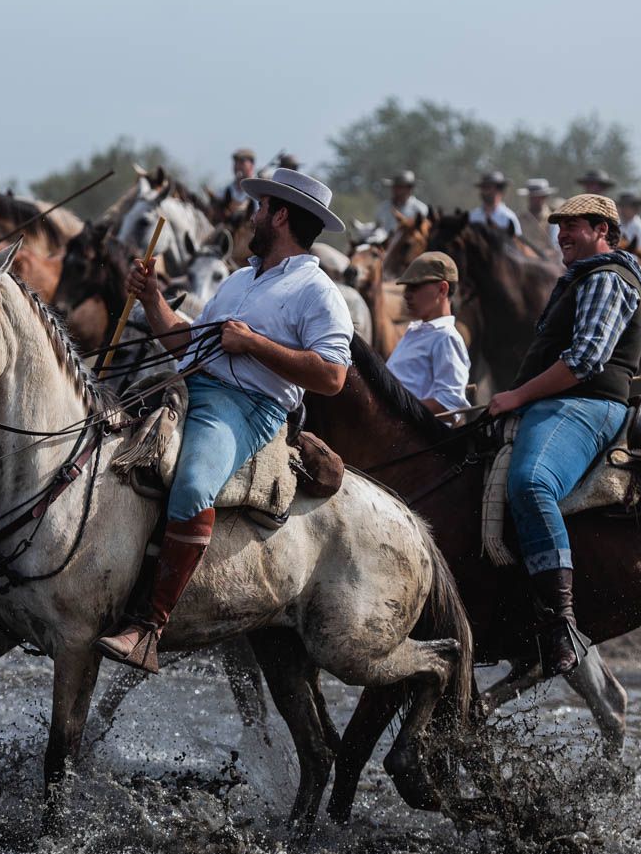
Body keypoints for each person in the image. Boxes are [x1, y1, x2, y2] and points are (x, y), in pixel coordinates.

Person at [95, 168, 353, 673]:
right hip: (188, 385)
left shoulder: (318, 291)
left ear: (280, 215)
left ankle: (150, 628)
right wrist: (150, 301)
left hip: (247, 406)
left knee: (191, 488)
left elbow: (333, 376)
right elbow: (189, 343)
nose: (252, 216)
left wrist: (254, 344)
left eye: (260, 208)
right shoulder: (239, 278)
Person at [485, 194, 641, 680]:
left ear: (603, 229)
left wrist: (516, 396)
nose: (561, 235)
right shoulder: (583, 277)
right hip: (558, 403)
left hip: (585, 405)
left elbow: (583, 362)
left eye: (573, 226)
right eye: (559, 227)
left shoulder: (605, 278)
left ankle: (561, 624)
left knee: (532, 483)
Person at [383, 252, 470, 415]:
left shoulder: (446, 337)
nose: (406, 294)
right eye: (407, 287)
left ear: (443, 289)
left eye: (415, 286)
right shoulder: (417, 331)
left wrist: (394, 410)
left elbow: (449, 404)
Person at [375, 170, 429, 236]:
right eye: (395, 186)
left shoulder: (421, 210)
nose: (395, 189)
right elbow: (377, 228)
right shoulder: (383, 207)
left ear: (409, 188)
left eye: (400, 187)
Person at [468, 171, 521, 236]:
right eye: (484, 188)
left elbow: (516, 243)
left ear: (499, 190)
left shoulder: (509, 218)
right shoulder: (473, 217)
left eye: (488, 187)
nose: (485, 192)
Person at [517, 177, 561, 251]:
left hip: (547, 260)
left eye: (538, 197)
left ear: (545, 197)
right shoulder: (519, 219)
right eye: (532, 197)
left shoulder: (552, 219)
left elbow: (556, 247)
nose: (535, 200)